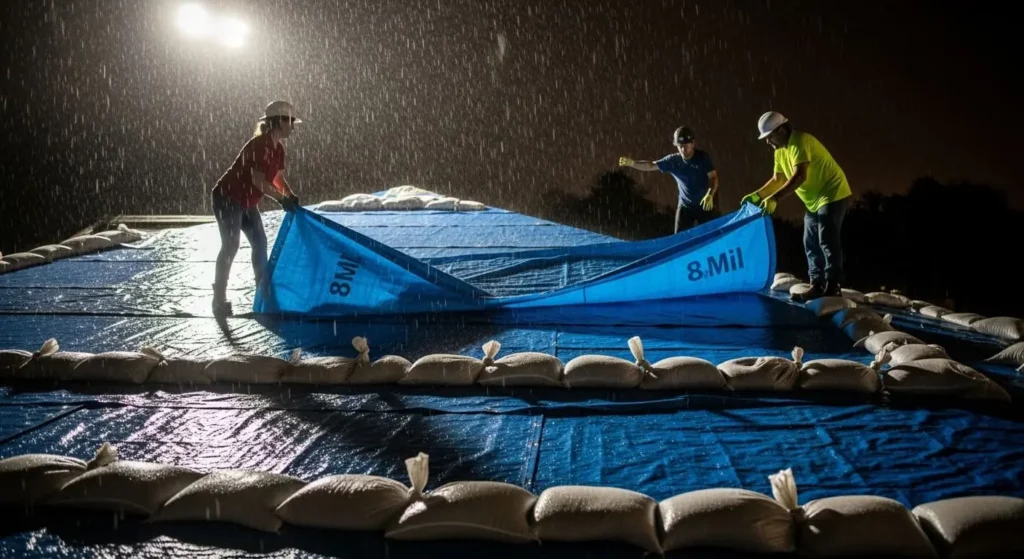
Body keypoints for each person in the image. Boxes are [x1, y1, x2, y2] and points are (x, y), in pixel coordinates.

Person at [742, 111, 852, 301]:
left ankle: (833, 285)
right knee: (809, 241)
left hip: (833, 192)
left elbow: (800, 175)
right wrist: (758, 195)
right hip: (813, 200)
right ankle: (817, 285)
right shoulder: (780, 151)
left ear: (782, 129)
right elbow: (778, 179)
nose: (768, 142)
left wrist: (775, 199)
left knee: (826, 237)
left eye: (770, 137)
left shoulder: (799, 141)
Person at [210, 100, 302, 316]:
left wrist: (289, 195)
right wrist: (281, 200)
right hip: (228, 198)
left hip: (247, 203)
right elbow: (258, 180)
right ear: (279, 121)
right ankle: (219, 298)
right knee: (231, 245)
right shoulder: (260, 145)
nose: (293, 127)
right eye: (290, 121)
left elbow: (277, 178)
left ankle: (262, 291)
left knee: (260, 244)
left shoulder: (278, 148)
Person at [618, 126, 719, 233]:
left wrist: (710, 194)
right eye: (680, 147)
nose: (683, 150)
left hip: (705, 203)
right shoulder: (673, 161)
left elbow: (714, 177)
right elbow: (651, 165)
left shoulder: (702, 158)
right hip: (685, 206)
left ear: (693, 144)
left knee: (712, 235)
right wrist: (633, 163)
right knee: (679, 240)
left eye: (686, 146)